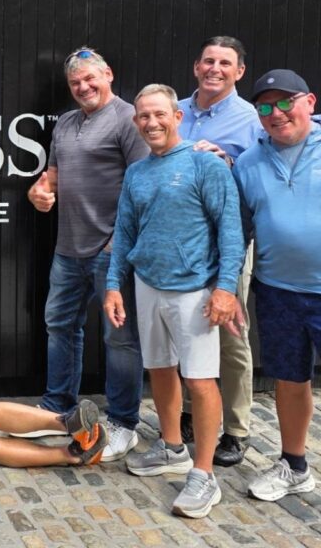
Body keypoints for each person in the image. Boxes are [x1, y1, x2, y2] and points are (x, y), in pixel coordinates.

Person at [104, 84, 243, 519]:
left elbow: (231, 231)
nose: (152, 122)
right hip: (147, 284)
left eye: (159, 114)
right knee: (160, 369)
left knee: (200, 381)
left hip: (195, 291)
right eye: (144, 116)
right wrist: (113, 285)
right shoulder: (137, 172)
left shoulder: (206, 165)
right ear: (136, 121)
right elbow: (125, 231)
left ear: (177, 117)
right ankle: (171, 447)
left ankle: (204, 475)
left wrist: (225, 289)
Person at [26, 47, 148, 461]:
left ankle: (123, 423)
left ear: (108, 74)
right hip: (68, 248)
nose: (83, 87)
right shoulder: (65, 122)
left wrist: (118, 243)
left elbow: (142, 186)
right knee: (60, 326)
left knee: (120, 339)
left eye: (90, 78)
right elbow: (51, 178)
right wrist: (40, 193)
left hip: (111, 250)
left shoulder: (129, 119)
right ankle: (57, 406)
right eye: (75, 82)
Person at [233, 69, 320, 501]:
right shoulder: (248, 162)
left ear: (310, 102)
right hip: (277, 290)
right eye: (265, 107)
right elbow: (238, 231)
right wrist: (227, 287)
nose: (276, 113)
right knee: (289, 378)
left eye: (286, 102)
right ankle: (294, 465)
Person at [176, 36, 262, 466]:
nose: (215, 69)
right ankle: (191, 413)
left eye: (225, 63)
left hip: (228, 242)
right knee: (187, 328)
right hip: (180, 242)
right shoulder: (176, 110)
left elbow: (261, 181)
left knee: (230, 334)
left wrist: (227, 162)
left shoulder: (251, 120)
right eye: (208, 60)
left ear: (239, 71)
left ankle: (236, 429)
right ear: (196, 66)